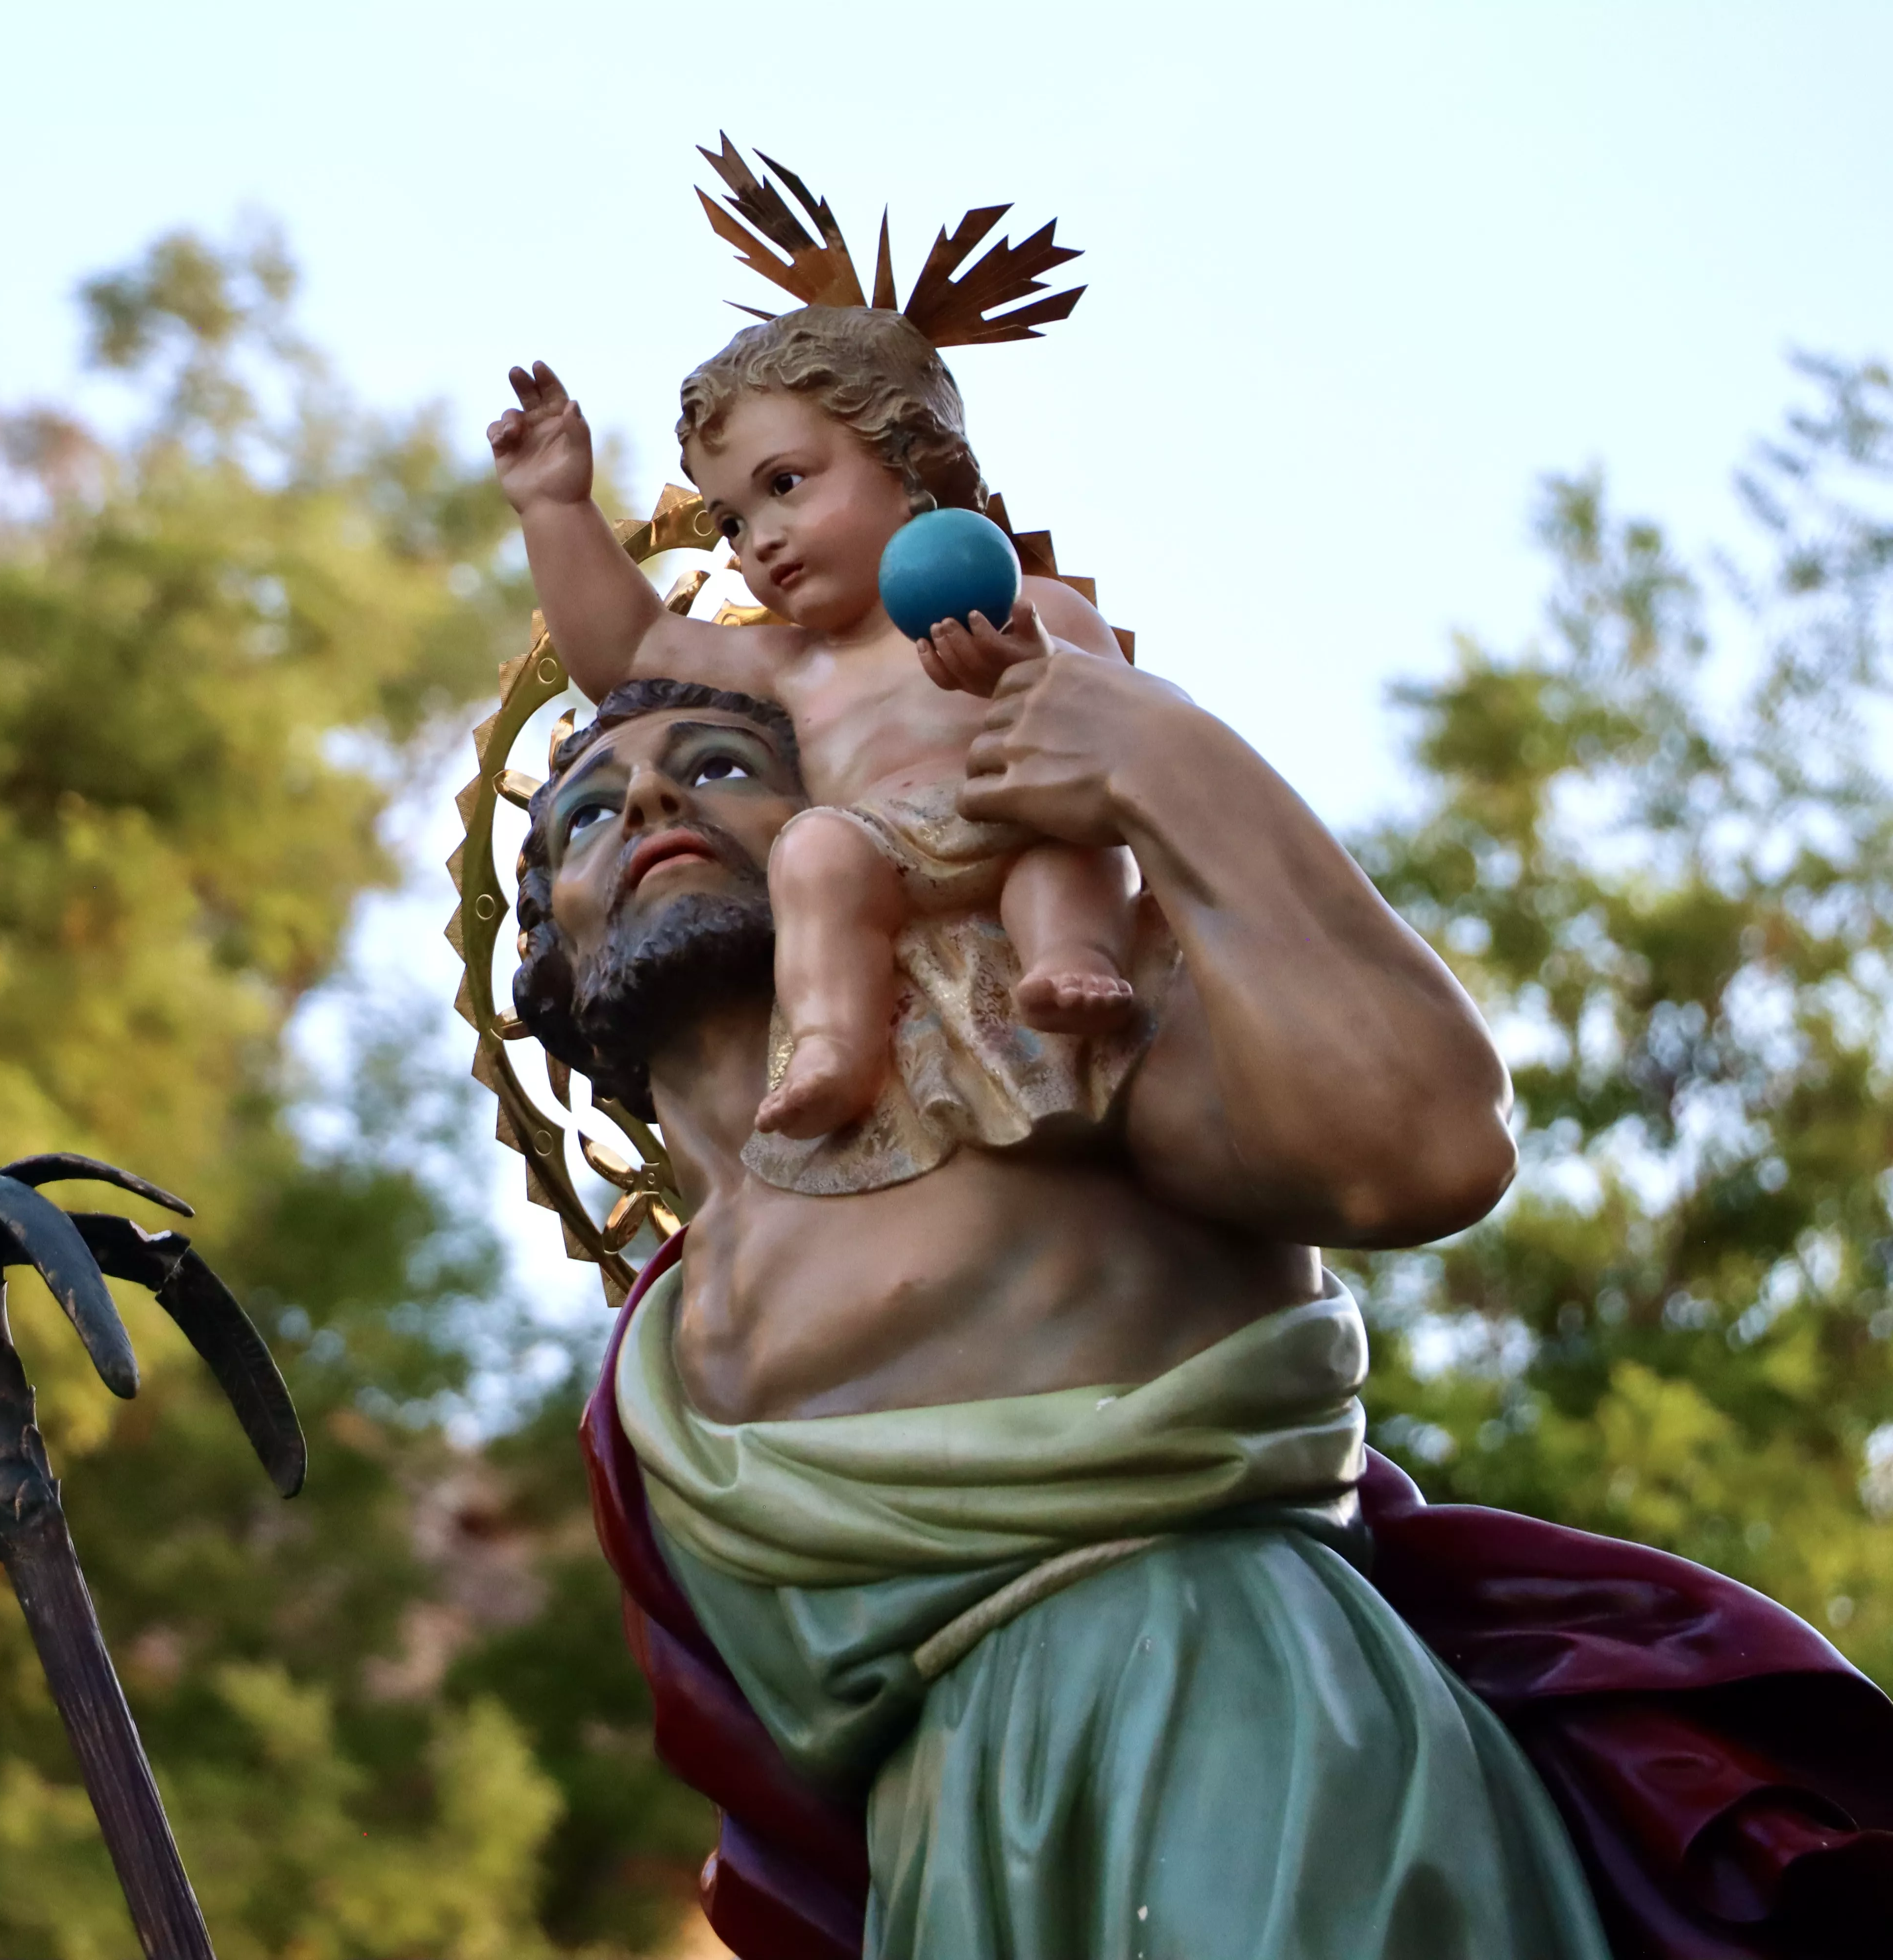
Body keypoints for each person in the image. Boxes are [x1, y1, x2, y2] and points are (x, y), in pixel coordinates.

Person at [511, 663, 1893, 1959]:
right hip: (948, 1860)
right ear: (554, 979)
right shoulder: (654, 1367)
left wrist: (1169, 762)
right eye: (584, 812)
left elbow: (1426, 1143)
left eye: (723, 766)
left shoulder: (1034, 1053)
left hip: (1249, 1722)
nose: (649, 803)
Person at [489, 319, 1140, 1164]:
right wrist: (554, 505)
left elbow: (1133, 731)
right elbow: (632, 651)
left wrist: (1027, 674)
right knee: (814, 854)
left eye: (786, 484)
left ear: (906, 463)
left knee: (1064, 853)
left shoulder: (1034, 609)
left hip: (1015, 818)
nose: (759, 539)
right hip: (884, 856)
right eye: (731, 523)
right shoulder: (796, 666)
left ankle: (1072, 964)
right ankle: (832, 1044)